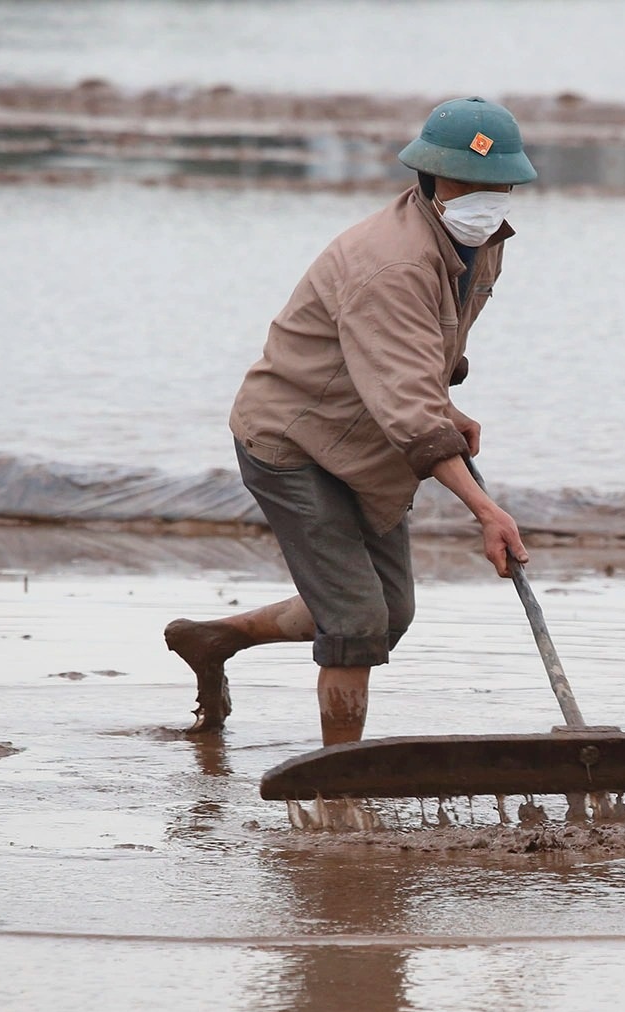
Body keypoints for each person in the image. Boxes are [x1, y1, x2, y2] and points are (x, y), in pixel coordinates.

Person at [164, 97, 534, 741]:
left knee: (390, 613)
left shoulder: (483, 243)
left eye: (494, 183)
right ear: (429, 179)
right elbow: (408, 402)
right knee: (357, 625)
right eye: (463, 181)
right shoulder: (390, 263)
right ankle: (338, 789)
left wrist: (444, 404)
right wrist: (485, 510)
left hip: (365, 439)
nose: (481, 195)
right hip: (294, 441)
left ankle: (217, 639)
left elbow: (413, 360)